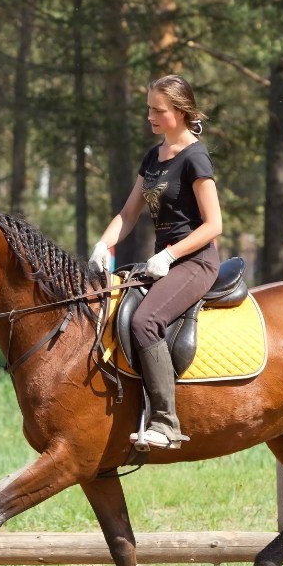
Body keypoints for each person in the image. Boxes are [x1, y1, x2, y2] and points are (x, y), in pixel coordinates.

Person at [88, 74, 223, 449]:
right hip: (162, 261)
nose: (149, 116)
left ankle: (166, 421)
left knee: (147, 320)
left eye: (157, 110)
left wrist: (169, 254)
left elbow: (214, 225)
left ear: (179, 113)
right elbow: (129, 213)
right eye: (148, 108)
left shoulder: (195, 157)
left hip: (195, 261)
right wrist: (103, 244)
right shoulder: (152, 157)